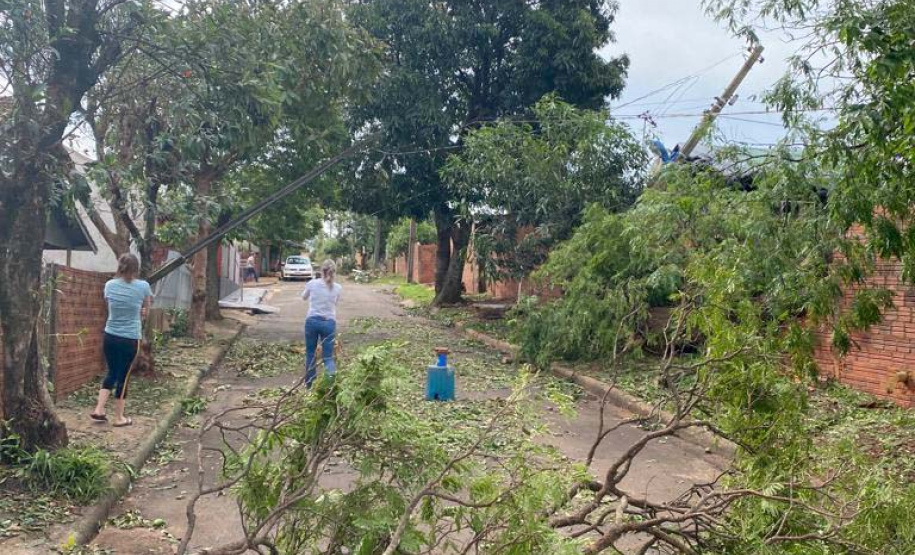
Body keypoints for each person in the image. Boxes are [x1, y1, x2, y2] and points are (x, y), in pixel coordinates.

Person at [90, 253, 153, 427]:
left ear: (119, 267)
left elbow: (111, 306)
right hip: (130, 338)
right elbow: (146, 312)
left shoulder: (109, 285)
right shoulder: (143, 286)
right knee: (123, 376)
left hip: (110, 335)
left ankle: (99, 409)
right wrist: (141, 312)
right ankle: (119, 418)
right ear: (136, 268)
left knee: (111, 372)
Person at [302, 260, 342, 388]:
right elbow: (335, 303)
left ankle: (310, 385)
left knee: (310, 353)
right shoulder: (338, 288)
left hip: (312, 321)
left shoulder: (312, 283)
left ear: (321, 271)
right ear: (334, 272)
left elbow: (303, 297)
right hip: (329, 323)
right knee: (328, 357)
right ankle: (330, 385)